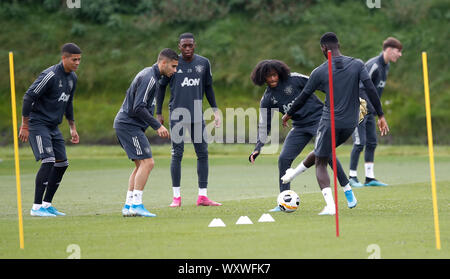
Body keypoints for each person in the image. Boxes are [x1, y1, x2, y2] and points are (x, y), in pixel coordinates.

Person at [282, 32, 389, 215]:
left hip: (329, 122)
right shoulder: (357, 64)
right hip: (350, 124)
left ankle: (330, 206)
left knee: (321, 162)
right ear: (338, 45)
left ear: (323, 48)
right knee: (322, 151)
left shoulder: (319, 71)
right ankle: (294, 174)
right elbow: (370, 88)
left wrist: (288, 114)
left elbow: (303, 96)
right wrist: (380, 115)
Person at [248, 59, 355, 212]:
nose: (272, 79)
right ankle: (284, 199)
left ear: (279, 73)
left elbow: (320, 84)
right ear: (262, 78)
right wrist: (258, 147)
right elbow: (264, 125)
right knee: (284, 159)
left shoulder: (295, 79)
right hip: (299, 127)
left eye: (274, 75)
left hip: (319, 119)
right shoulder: (267, 99)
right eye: (268, 77)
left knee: (327, 153)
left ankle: (347, 189)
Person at [156, 33, 221, 207]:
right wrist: (158, 112)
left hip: (197, 116)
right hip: (177, 115)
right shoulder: (173, 64)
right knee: (177, 154)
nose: (187, 49)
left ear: (194, 45)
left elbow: (208, 88)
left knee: (203, 153)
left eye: (190, 45)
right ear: (179, 46)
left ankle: (202, 196)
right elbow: (160, 88)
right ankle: (176, 197)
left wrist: (215, 109)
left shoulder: (203, 63)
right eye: (184, 46)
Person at [19, 43, 82, 217]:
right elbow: (28, 97)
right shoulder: (50, 75)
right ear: (64, 58)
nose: (77, 63)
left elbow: (68, 103)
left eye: (79, 60)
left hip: (53, 127)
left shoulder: (73, 78)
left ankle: (47, 205)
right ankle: (36, 207)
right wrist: (25, 125)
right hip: (37, 124)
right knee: (48, 160)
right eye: (74, 59)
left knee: (62, 164)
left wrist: (72, 128)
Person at [114, 48, 177, 217]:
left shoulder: (153, 76)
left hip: (127, 124)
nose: (175, 70)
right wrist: (157, 125)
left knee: (140, 165)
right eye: (173, 66)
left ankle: (128, 206)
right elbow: (138, 107)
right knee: (148, 163)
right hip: (129, 125)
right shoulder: (150, 78)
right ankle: (137, 205)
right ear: (163, 63)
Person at [349, 37, 403, 187]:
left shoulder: (386, 67)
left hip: (371, 110)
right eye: (398, 51)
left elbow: (375, 92)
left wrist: (378, 112)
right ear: (389, 50)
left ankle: (369, 178)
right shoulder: (373, 65)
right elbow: (360, 88)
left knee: (372, 142)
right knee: (360, 142)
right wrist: (369, 108)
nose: (400, 55)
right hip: (359, 107)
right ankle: (352, 176)